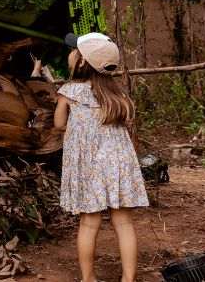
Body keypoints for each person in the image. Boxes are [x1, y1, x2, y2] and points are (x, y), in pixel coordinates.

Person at [53, 32, 147, 282]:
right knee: (124, 223)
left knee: (89, 223)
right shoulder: (118, 95)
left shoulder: (70, 91)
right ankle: (128, 279)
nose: (70, 54)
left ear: (82, 62)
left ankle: (89, 278)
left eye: (75, 51)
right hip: (118, 165)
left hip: (89, 167)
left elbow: (59, 123)